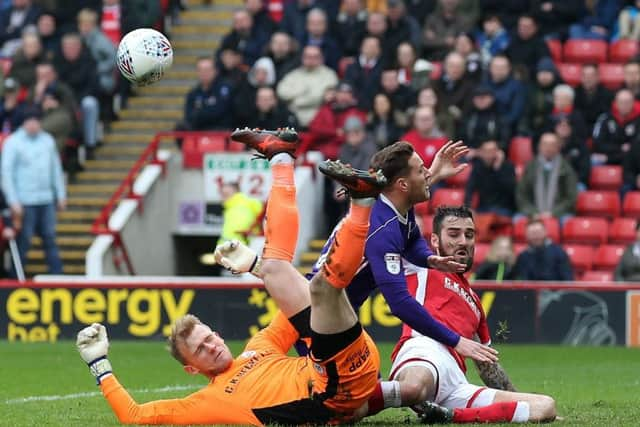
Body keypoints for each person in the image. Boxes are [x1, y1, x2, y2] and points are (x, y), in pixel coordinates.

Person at [75, 128, 384, 425]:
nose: (211, 346)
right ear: (191, 370)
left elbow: (291, 292)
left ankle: (293, 164)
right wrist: (99, 365)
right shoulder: (210, 402)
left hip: (350, 363)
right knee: (310, 283)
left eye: (208, 337)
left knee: (293, 276)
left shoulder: (260, 346)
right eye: (200, 350)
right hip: (335, 392)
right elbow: (135, 416)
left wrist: (255, 267)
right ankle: (346, 196)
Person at [311, 140, 499, 417]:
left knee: (358, 391)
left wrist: (428, 259)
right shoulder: (383, 226)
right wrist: (456, 341)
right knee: (338, 403)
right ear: (401, 184)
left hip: (333, 313)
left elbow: (410, 237)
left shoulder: (395, 208)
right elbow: (399, 303)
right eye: (421, 169)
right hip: (319, 316)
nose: (427, 175)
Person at [384, 207, 556, 423]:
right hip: (425, 351)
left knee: (544, 406)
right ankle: (357, 396)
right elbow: (392, 220)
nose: (463, 241)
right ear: (435, 240)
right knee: (414, 388)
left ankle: (447, 415)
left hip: (456, 383)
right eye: (454, 234)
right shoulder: (422, 266)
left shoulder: (475, 302)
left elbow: (488, 367)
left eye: (469, 235)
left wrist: (516, 395)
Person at [1, 107, 65, 275]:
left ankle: (57, 276)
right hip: (25, 200)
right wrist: (13, 200)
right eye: (31, 121)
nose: (34, 125)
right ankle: (16, 277)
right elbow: (6, 173)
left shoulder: (47, 141)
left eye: (37, 121)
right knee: (24, 240)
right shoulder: (14, 142)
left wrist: (60, 194)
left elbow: (55, 169)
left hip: (46, 199)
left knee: (50, 238)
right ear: (24, 122)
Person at [516, 132, 578, 223]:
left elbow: (571, 198)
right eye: (545, 144)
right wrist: (533, 212)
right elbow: (521, 195)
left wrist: (553, 213)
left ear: (558, 147)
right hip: (533, 212)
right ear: (539, 147)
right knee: (517, 220)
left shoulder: (566, 168)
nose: (548, 148)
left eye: (552, 145)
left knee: (567, 222)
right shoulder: (530, 167)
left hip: (560, 213)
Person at [464, 139, 516, 240]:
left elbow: (510, 190)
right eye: (486, 151)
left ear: (498, 152)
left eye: (492, 151)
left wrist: (498, 169)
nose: (489, 154)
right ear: (481, 153)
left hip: (504, 208)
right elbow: (469, 189)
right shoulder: (478, 167)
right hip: (484, 208)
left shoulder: (508, 166)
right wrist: (468, 207)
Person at [174, 57, 234, 144]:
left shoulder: (225, 89)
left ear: (215, 71)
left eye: (207, 69)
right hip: (198, 128)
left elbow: (220, 112)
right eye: (200, 70)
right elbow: (189, 116)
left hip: (220, 129)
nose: (204, 73)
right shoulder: (193, 93)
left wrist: (200, 112)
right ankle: (187, 153)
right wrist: (207, 111)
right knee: (180, 128)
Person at [276, 45, 338, 127]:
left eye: (315, 57)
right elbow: (281, 91)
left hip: (319, 122)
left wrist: (296, 102)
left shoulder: (329, 75)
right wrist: (301, 91)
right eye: (308, 56)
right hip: (294, 121)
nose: (311, 60)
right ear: (302, 58)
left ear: (321, 58)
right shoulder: (294, 74)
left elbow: (324, 97)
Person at [592, 89, 640, 166]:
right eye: (621, 102)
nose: (624, 105)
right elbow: (597, 143)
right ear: (616, 103)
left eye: (627, 102)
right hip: (607, 156)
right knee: (592, 160)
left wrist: (609, 158)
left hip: (631, 160)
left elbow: (635, 148)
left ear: (633, 103)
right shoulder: (605, 118)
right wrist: (620, 148)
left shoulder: (638, 120)